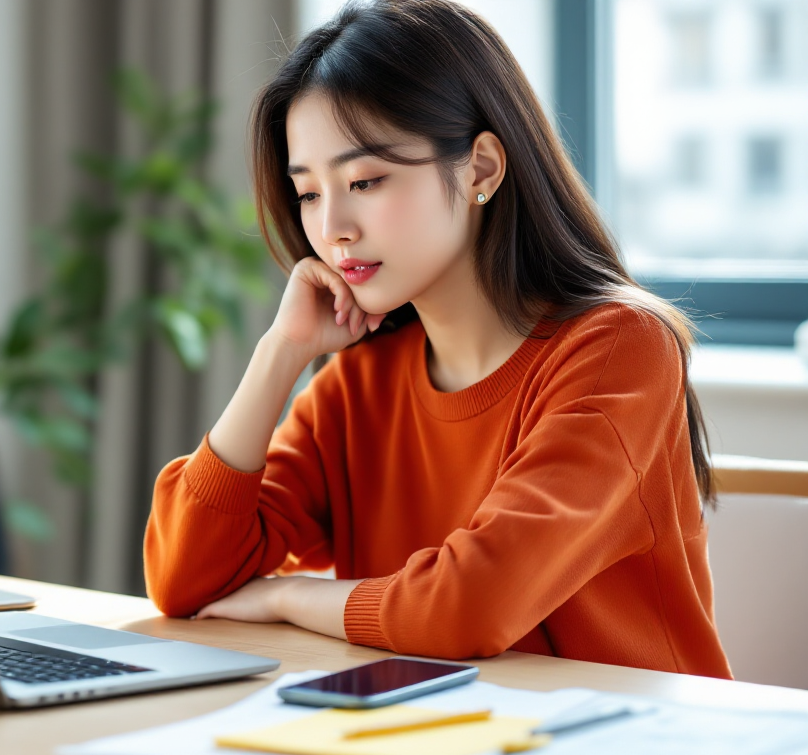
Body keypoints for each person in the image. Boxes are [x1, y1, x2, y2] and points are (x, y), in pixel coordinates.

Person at [143, 0, 731, 678]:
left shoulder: (619, 348)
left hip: (633, 738)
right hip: (437, 730)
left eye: (365, 180)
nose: (333, 226)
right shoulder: (362, 380)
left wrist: (288, 595)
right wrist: (278, 355)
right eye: (307, 192)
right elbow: (185, 578)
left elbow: (470, 605)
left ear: (480, 169)